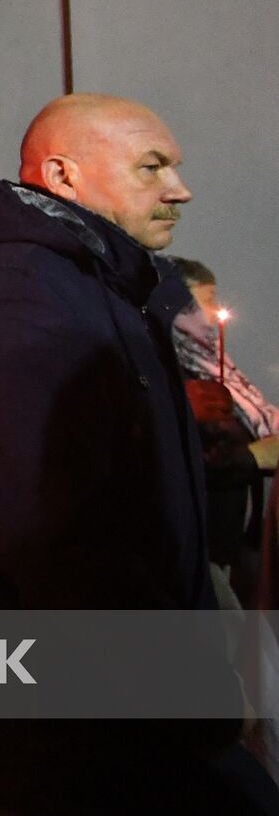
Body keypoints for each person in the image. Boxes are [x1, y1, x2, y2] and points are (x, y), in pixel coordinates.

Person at [0, 93, 279, 812]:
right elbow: (50, 533)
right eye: (152, 166)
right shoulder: (16, 293)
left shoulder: (94, 281)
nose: (181, 188)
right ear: (64, 175)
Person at [170, 256, 279, 603]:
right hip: (201, 543)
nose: (217, 310)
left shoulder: (220, 369)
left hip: (238, 540)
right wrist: (252, 456)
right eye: (209, 299)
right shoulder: (171, 371)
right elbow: (178, 458)